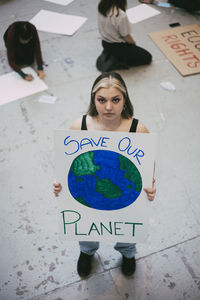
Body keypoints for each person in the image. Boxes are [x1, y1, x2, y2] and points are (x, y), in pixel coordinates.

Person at [53, 72, 156, 278]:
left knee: (128, 222)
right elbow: (66, 163)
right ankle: (87, 251)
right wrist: (59, 183)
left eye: (115, 100)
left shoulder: (138, 129)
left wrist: (150, 186)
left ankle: (127, 253)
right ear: (94, 100)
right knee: (86, 220)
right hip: (88, 187)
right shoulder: (79, 126)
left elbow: (147, 164)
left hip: (124, 192)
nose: (108, 107)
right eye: (102, 100)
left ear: (124, 100)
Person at [96, 0, 152, 72]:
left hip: (105, 43)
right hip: (118, 46)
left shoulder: (102, 7)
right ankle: (118, 62)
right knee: (147, 58)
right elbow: (126, 36)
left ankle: (110, 54)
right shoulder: (120, 15)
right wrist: (133, 44)